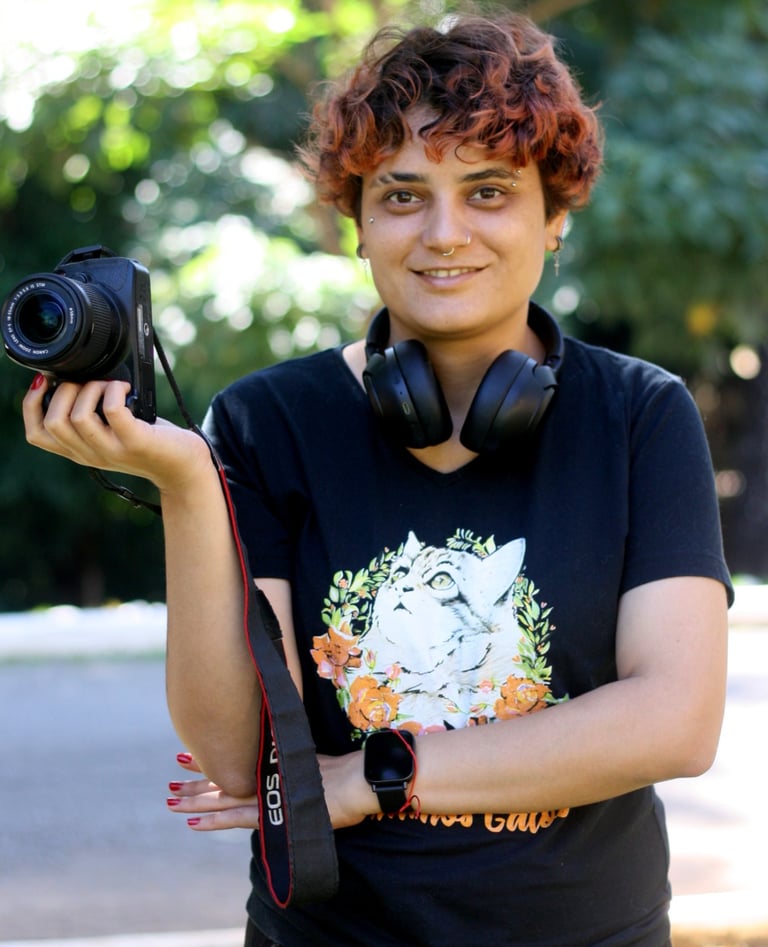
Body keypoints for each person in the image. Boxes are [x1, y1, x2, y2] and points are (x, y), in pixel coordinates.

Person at [23, 10, 732, 947]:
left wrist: (372, 777)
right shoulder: (267, 421)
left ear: (555, 216)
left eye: (488, 191)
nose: (444, 234)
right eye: (402, 195)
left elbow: (674, 720)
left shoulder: (640, 414)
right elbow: (240, 756)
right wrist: (192, 488)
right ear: (358, 224)